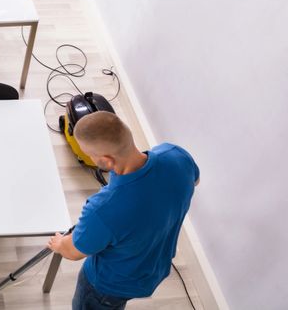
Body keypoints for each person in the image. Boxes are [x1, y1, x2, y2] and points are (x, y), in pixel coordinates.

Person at [46, 112, 199, 310]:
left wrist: (59, 243)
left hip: (107, 287)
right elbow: (195, 180)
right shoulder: (176, 156)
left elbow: (73, 252)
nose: (87, 156)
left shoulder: (102, 209)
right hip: (152, 269)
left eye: (88, 154)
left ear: (107, 160)